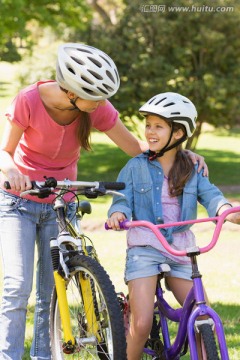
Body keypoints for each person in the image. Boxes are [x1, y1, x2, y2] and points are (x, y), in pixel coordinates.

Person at [0, 42, 206, 360]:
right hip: (20, 200)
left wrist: (181, 151)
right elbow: (5, 151)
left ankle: (42, 356)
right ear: (71, 91)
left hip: (61, 202)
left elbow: (135, 147)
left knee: (49, 291)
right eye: (94, 98)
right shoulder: (29, 100)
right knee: (16, 286)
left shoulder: (95, 109)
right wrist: (13, 171)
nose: (99, 104)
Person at [106, 92, 240, 360]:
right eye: (148, 125)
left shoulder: (192, 167)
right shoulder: (135, 167)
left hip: (180, 250)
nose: (150, 132)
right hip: (145, 248)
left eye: (158, 126)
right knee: (142, 322)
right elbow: (121, 199)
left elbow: (212, 196)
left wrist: (226, 210)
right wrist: (118, 214)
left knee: (204, 318)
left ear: (178, 133)